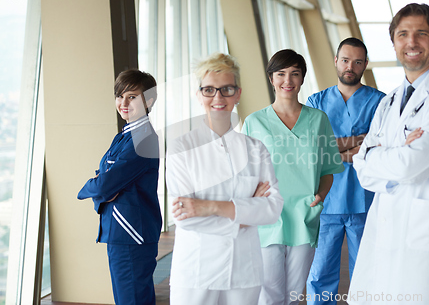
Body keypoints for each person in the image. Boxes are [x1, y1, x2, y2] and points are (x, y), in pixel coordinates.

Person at [349, 3, 429, 304]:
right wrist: (387, 156)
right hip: (386, 230)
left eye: (421, 33)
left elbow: (409, 166)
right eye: (403, 34)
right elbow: (360, 166)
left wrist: (379, 155)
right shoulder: (390, 100)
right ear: (394, 43)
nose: (411, 42)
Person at [166, 53, 284, 305]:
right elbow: (184, 218)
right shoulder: (181, 148)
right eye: (209, 90)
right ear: (198, 95)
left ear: (238, 94)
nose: (218, 98)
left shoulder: (256, 149)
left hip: (244, 273)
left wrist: (209, 207)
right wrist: (245, 212)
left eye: (226, 89)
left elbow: (272, 209)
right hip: (197, 273)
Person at [242, 49, 345, 305]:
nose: (287, 81)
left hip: (303, 216)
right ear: (271, 78)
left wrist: (320, 195)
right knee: (269, 294)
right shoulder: (254, 122)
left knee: (293, 294)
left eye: (294, 74)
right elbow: (243, 173)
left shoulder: (318, 120)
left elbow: (329, 169)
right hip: (268, 219)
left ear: (302, 79)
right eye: (281, 74)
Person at [305, 37, 385, 304]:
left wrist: (333, 148)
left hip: (365, 200)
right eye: (346, 60)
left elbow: (378, 148)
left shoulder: (380, 102)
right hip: (326, 200)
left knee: (366, 271)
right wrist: (356, 143)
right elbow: (313, 148)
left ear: (364, 65)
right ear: (336, 61)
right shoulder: (316, 100)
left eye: (358, 61)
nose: (351, 66)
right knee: (320, 272)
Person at [77, 69, 162, 305]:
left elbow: (104, 183)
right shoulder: (124, 135)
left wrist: (90, 187)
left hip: (131, 234)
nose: (123, 103)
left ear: (149, 100)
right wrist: (104, 186)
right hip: (121, 231)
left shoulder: (142, 139)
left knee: (132, 299)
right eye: (119, 96)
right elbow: (106, 180)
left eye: (132, 97)